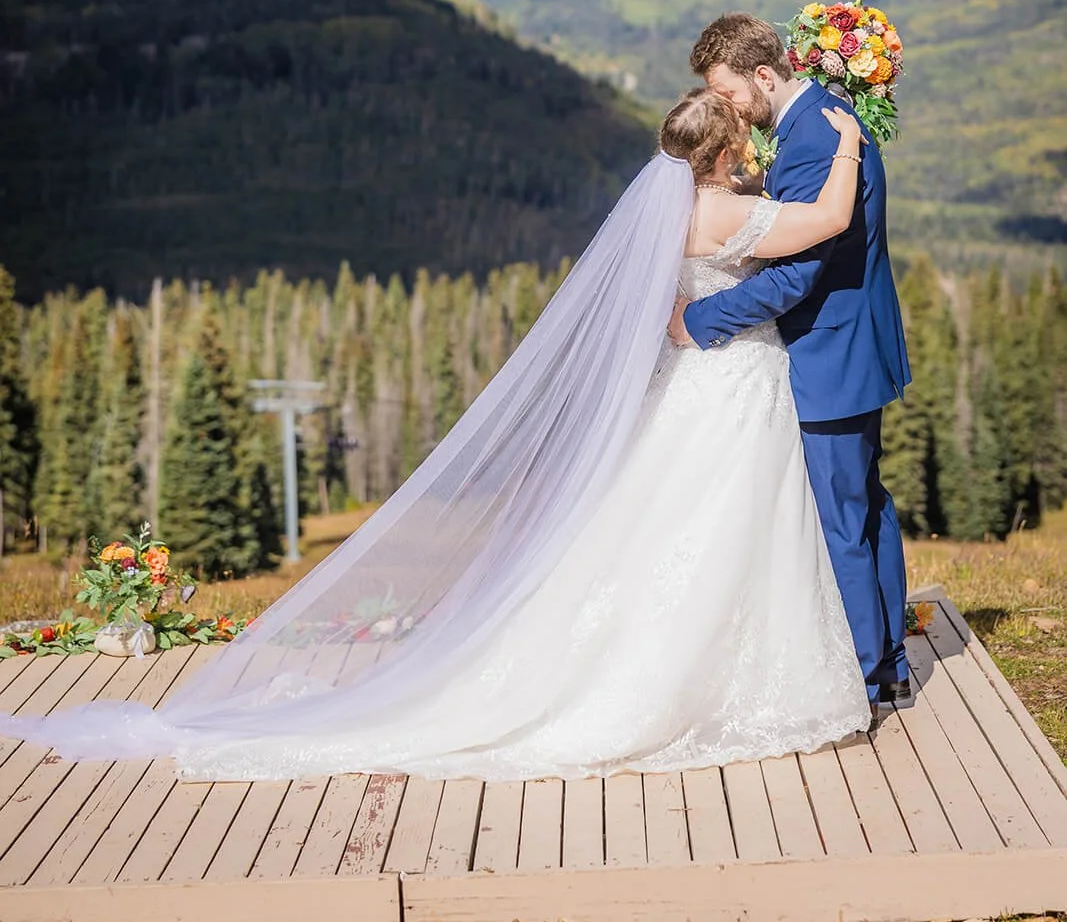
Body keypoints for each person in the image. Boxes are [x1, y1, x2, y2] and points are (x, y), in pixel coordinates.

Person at [0, 91, 872, 780]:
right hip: (727, 388)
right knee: (727, 526)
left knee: (679, 530)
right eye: (743, 148)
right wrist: (846, 143)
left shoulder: (673, 208)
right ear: (723, 156)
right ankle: (717, 683)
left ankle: (695, 670)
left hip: (697, 384)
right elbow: (828, 221)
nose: (753, 156)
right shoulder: (721, 215)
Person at [669, 13, 911, 719]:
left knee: (840, 520)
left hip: (826, 352)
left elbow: (792, 278)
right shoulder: (827, 119)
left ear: (764, 76)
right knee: (865, 509)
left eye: (728, 91)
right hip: (853, 344)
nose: (729, 108)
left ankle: (865, 678)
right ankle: (888, 658)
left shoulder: (810, 143)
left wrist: (698, 322)